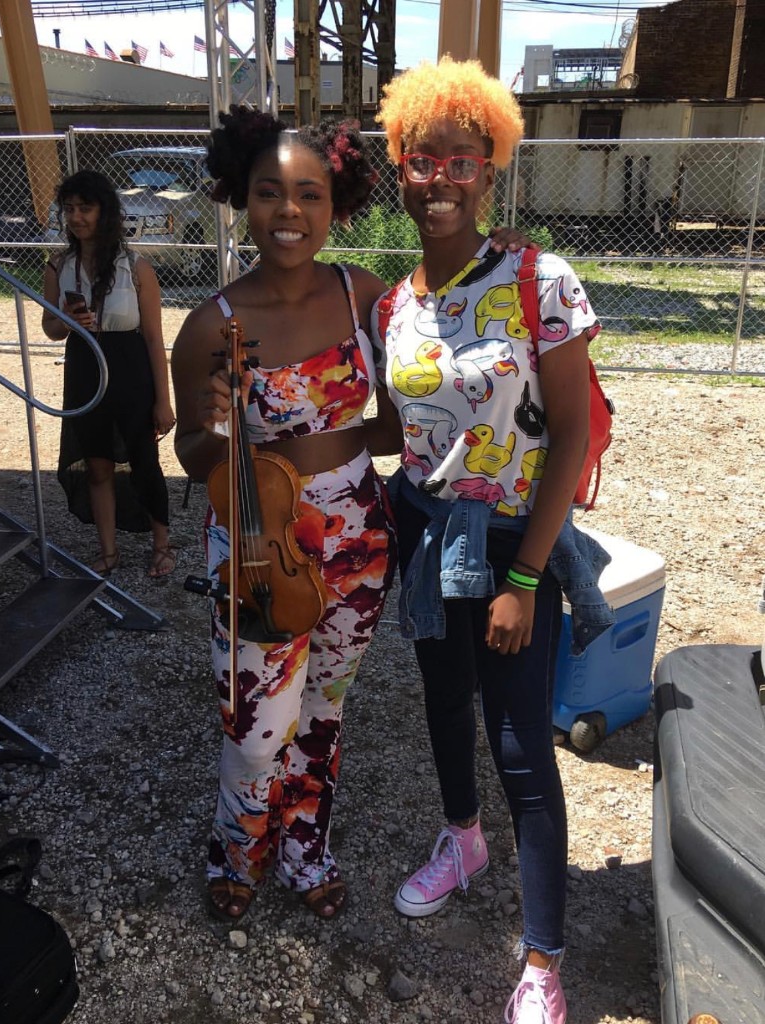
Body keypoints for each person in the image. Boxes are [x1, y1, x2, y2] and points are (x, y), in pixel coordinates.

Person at [373, 57, 615, 1023]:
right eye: (421, 159)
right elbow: (399, 431)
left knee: (520, 744)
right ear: (398, 164)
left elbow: (572, 436)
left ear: (489, 168)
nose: (440, 179)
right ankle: (462, 840)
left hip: (513, 539)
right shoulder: (393, 305)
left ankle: (543, 961)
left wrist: (523, 576)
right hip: (426, 532)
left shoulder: (537, 279)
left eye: (460, 160)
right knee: (443, 701)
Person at [171, 106, 404, 923]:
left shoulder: (364, 295)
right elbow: (190, 454)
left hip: (356, 538)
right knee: (255, 725)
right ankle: (236, 850)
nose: (289, 211)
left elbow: (399, 420)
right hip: (255, 545)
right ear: (241, 195)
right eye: (269, 191)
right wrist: (218, 429)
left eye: (310, 193)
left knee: (322, 711)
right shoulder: (210, 325)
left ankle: (306, 848)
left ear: (336, 203)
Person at [42, 170, 176, 578]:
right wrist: (67, 319)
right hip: (84, 367)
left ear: (105, 212)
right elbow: (51, 329)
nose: (76, 217)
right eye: (69, 209)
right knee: (97, 463)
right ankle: (109, 551)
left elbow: (153, 338)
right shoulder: (58, 266)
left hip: (130, 366)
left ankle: (162, 545)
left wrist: (164, 400)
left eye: (85, 208)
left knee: (144, 459)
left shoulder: (136, 266)